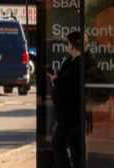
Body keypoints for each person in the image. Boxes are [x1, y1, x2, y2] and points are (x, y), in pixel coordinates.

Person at [49, 31, 84, 168]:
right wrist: (56, 78)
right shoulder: (71, 61)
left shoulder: (79, 63)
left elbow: (70, 87)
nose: (67, 46)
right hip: (66, 110)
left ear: (72, 45)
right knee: (75, 144)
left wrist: (56, 80)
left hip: (70, 111)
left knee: (58, 142)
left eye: (68, 43)